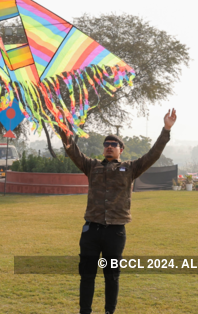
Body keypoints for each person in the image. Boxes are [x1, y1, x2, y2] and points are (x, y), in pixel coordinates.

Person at [58, 109, 176, 314]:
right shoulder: (91, 166)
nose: (109, 147)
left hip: (115, 232)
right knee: (87, 274)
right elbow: (72, 150)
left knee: (111, 275)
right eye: (106, 144)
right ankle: (84, 311)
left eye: (114, 145)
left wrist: (166, 129)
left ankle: (109, 311)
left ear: (121, 149)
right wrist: (63, 128)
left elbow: (153, 154)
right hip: (91, 231)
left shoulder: (131, 168)